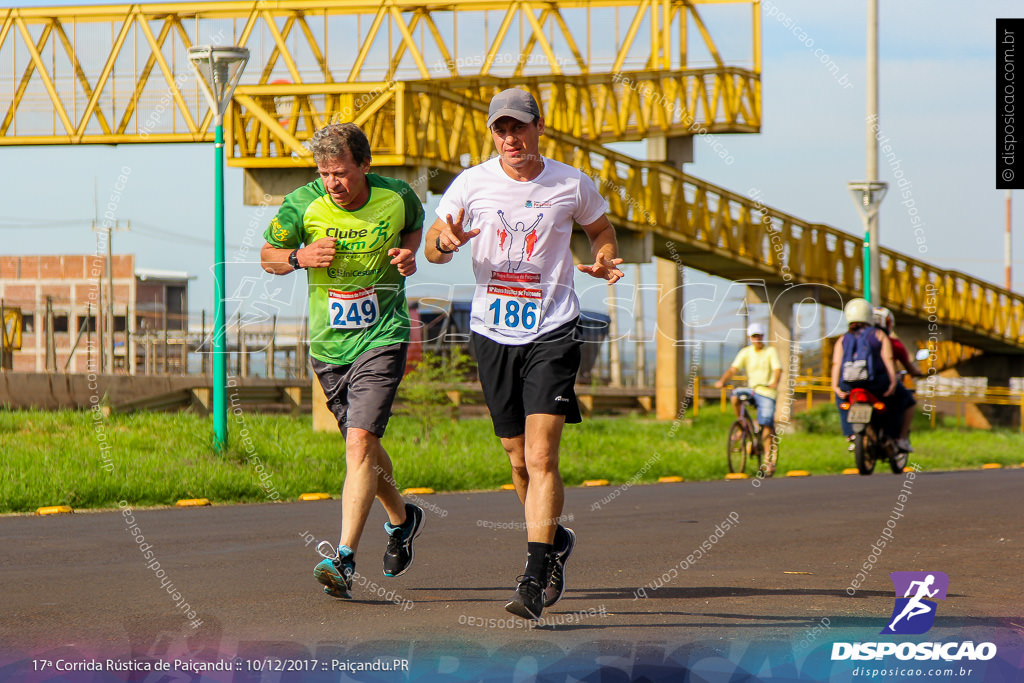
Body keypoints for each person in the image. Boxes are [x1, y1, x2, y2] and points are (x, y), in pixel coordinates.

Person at [424, 87, 624, 620]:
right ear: (492, 134)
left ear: (539, 126)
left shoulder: (569, 182)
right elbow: (433, 244)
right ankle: (555, 539)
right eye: (500, 129)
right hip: (492, 331)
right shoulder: (472, 183)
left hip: (553, 328)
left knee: (540, 457)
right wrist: (444, 243)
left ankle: (534, 576)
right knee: (516, 459)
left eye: (518, 127)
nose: (510, 138)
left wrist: (602, 257)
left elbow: (600, 229)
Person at [260, 122, 426, 600]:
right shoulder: (303, 204)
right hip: (330, 347)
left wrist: (408, 255)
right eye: (324, 172)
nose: (332, 182)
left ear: (365, 166)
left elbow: (414, 227)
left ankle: (344, 559)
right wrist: (299, 256)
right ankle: (402, 518)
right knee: (364, 451)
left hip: (384, 334)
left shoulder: (397, 196)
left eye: (341, 172)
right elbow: (268, 257)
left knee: (359, 444)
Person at [831, 298, 912, 452]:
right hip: (875, 383)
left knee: (841, 399)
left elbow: (836, 364)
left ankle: (850, 433)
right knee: (900, 399)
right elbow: (888, 360)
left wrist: (835, 386)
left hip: (849, 384)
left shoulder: (842, 339)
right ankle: (894, 436)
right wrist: (893, 383)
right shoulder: (879, 335)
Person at [713, 323, 782, 475]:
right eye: (754, 336)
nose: (757, 339)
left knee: (766, 424)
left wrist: (775, 382)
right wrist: (722, 381)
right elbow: (733, 369)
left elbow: (777, 369)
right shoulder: (746, 352)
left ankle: (768, 462)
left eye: (759, 336)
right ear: (750, 338)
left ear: (763, 337)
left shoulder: (771, 351)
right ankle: (742, 424)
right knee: (735, 396)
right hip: (752, 390)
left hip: (766, 391)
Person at [874, 307, 921, 452]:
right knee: (907, 401)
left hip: (860, 383)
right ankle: (900, 438)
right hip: (884, 382)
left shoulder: (857, 339)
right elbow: (909, 367)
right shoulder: (893, 344)